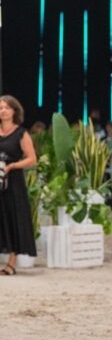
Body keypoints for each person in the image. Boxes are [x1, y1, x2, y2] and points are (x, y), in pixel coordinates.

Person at [0, 95, 38, 276]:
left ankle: (12, 262)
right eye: (0, 107)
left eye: (7, 107)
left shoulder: (21, 133)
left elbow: (32, 159)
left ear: (15, 111)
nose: (3, 110)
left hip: (13, 182)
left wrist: (13, 166)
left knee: (11, 218)